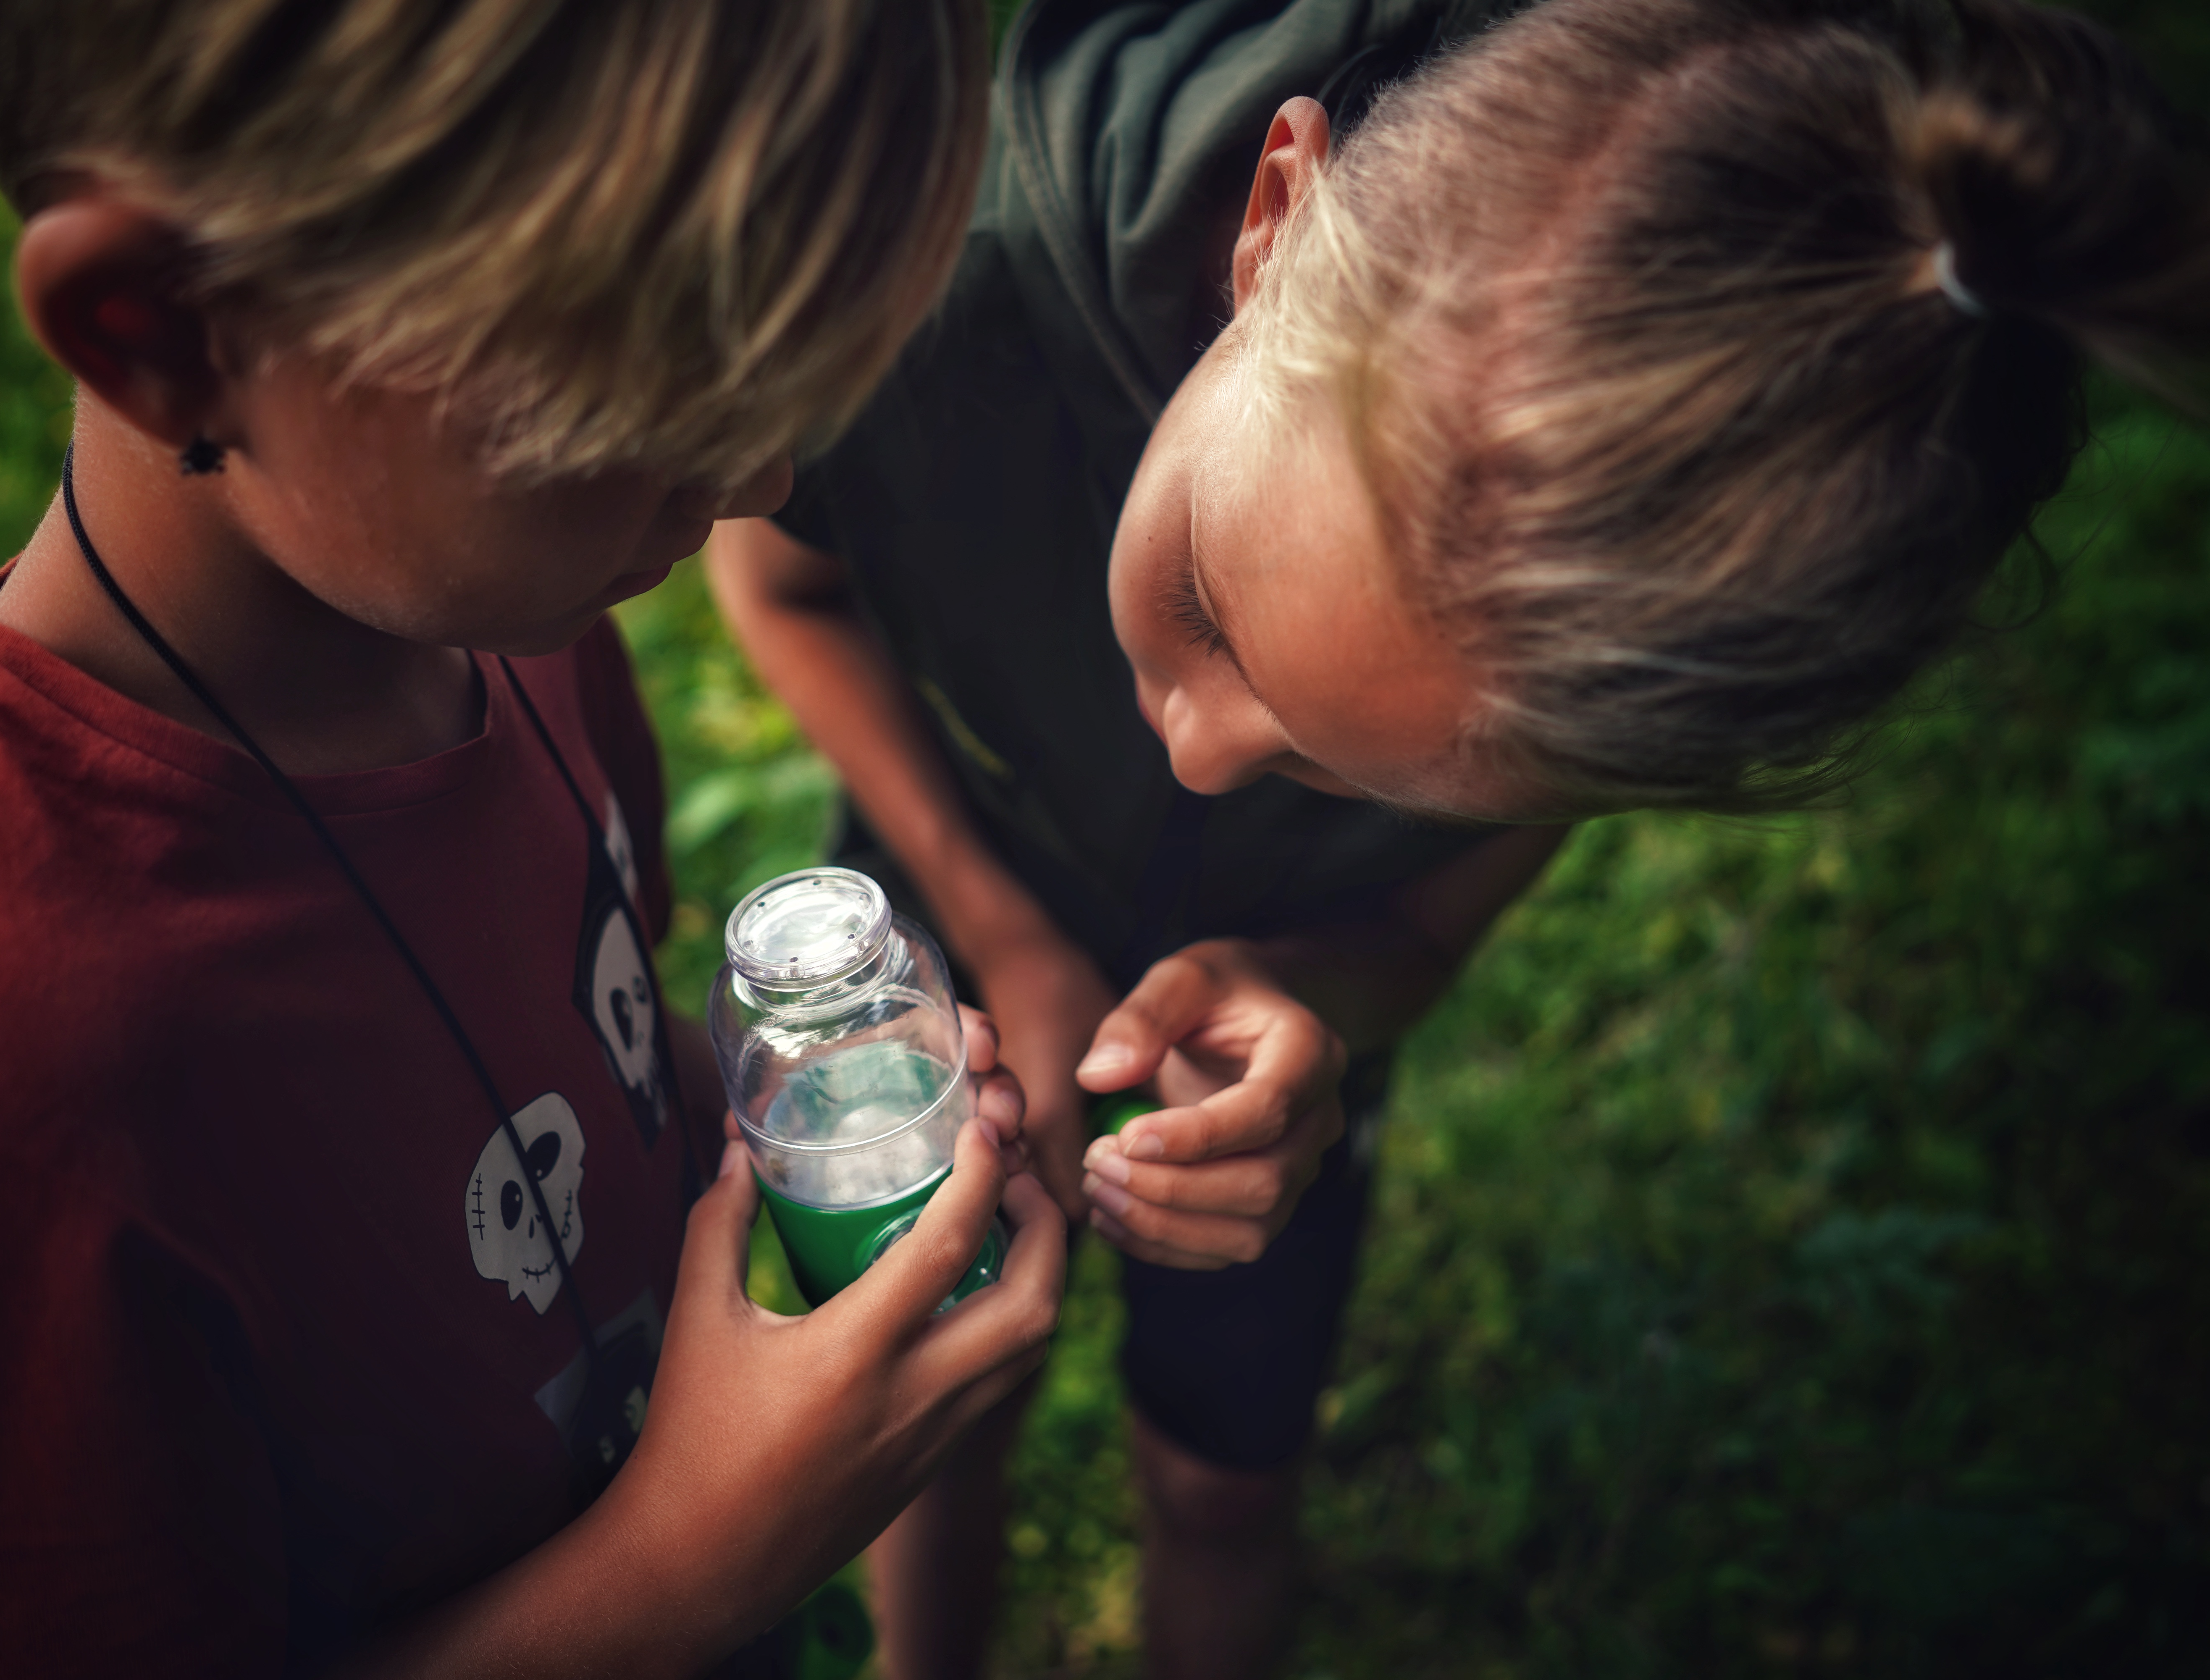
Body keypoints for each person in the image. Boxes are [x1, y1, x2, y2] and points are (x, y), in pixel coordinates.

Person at [707, 0, 2210, 1673]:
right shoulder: (934, 288)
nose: (1204, 757)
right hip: (944, 937)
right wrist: (1000, 926)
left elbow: (1418, 940)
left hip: (1256, 1109)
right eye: (1211, 603)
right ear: (1276, 223)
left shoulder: (1612, 650)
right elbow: (779, 577)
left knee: (1223, 1487)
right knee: (944, 1396)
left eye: (1362, 776)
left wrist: (1318, 1007)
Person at [0, 1, 1073, 1675]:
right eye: (652, 404)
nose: (762, 480)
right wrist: (676, 1572)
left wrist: (793, 1135)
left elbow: (570, 1055)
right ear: (162, 331)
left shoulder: (513, 626)